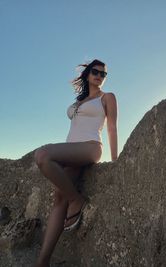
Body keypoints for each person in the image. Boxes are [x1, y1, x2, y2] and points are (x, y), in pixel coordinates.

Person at [34, 59, 118, 267]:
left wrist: (116, 161)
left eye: (103, 74)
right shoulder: (78, 102)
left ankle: (77, 200)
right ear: (88, 74)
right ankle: (42, 262)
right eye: (96, 72)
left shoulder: (106, 97)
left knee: (42, 155)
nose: (99, 76)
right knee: (58, 200)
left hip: (90, 147)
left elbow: (112, 128)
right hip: (72, 150)